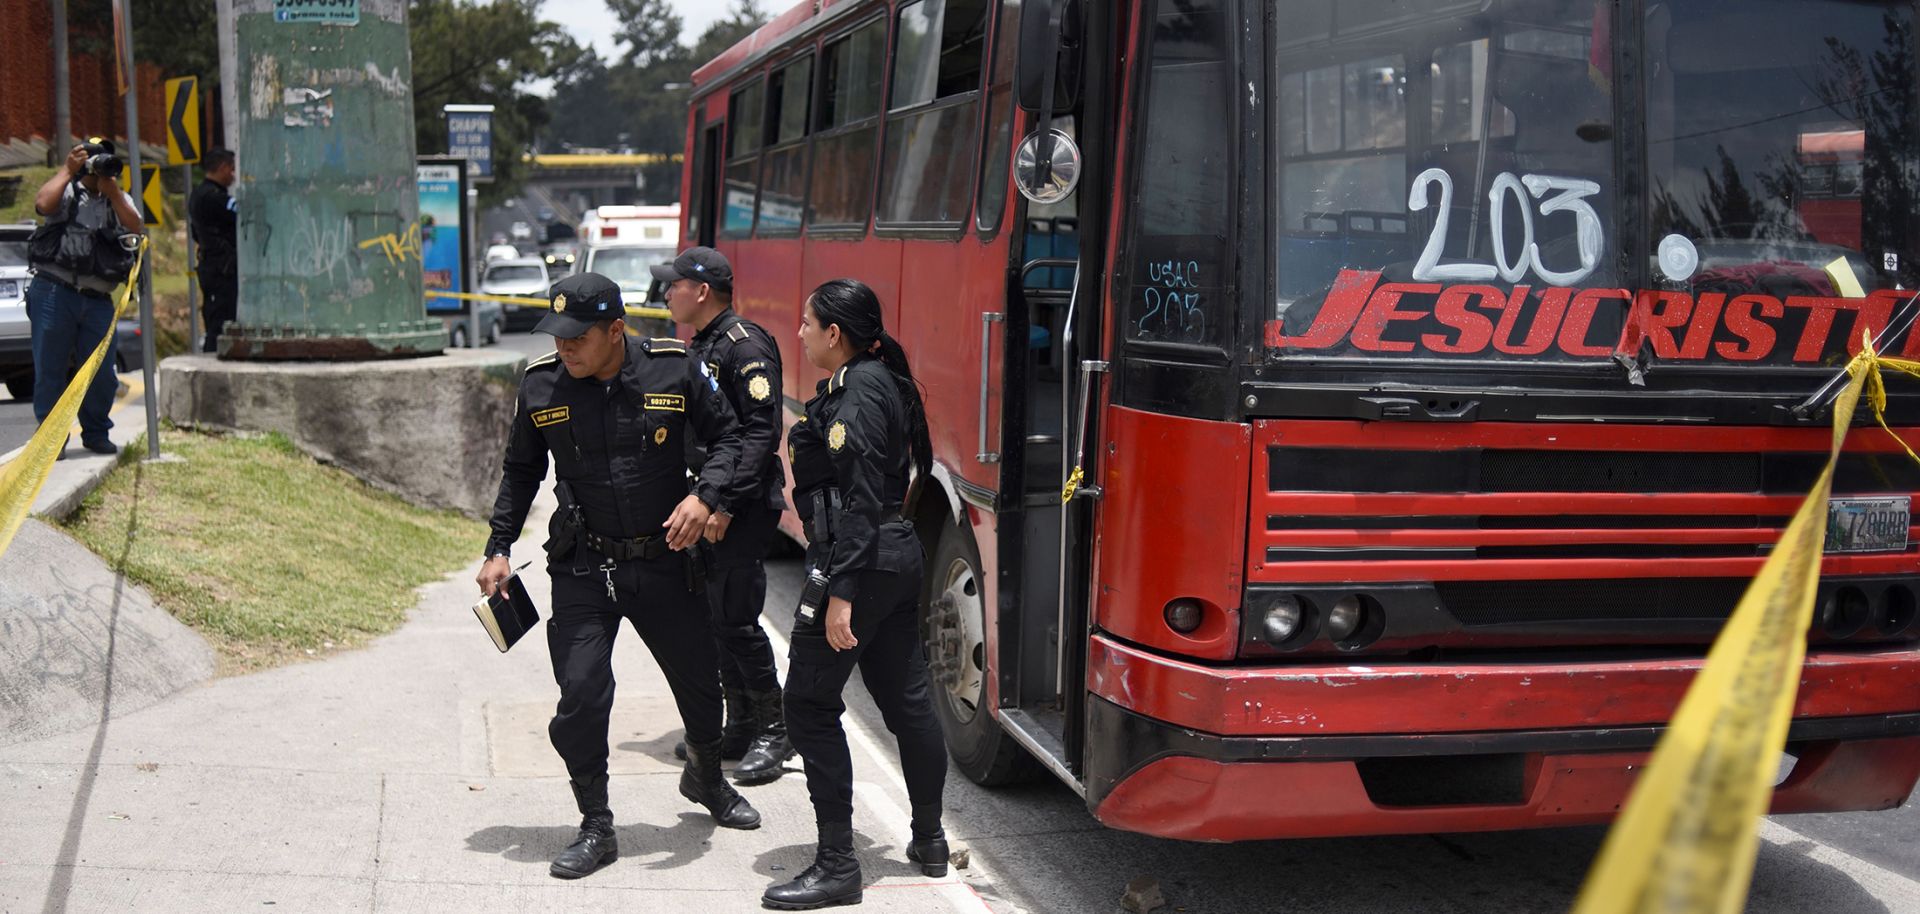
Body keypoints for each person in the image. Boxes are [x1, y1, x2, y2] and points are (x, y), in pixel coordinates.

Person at [478, 272, 763, 881]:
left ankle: (707, 778)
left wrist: (707, 498)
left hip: (665, 562)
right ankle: (595, 822)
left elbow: (731, 437)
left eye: (577, 337)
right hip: (585, 567)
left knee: (702, 694)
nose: (565, 349)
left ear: (616, 329)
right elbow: (519, 471)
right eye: (557, 337)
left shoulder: (673, 369)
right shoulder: (541, 386)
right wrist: (498, 547)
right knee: (581, 695)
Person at [762, 278, 947, 910]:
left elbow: (863, 496)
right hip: (891, 558)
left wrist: (841, 591)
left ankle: (838, 866)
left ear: (834, 334)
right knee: (907, 701)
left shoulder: (860, 392)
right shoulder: (871, 381)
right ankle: (930, 840)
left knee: (808, 706)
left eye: (807, 323)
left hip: (860, 560)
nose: (800, 332)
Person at [654, 247, 793, 784]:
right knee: (715, 621)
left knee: (736, 619)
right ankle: (738, 723)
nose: (667, 294)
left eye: (674, 285)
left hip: (742, 506)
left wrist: (725, 503)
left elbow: (761, 432)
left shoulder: (745, 345)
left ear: (702, 291)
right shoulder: (704, 345)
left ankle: (773, 730)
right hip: (712, 500)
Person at [26, 139, 143, 457]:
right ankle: (52, 438)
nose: (99, 166)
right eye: (94, 161)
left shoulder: (116, 197)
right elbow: (43, 204)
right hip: (55, 291)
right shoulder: (67, 190)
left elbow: (136, 226)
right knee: (51, 368)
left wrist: (114, 191)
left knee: (102, 373)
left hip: (97, 300)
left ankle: (96, 432)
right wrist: (67, 170)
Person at [187, 148, 237, 353]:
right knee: (221, 321)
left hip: (212, 265)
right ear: (223, 168)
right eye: (231, 169)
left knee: (217, 317)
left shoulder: (199, 194)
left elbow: (195, 234)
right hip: (220, 269)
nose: (233, 175)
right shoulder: (214, 198)